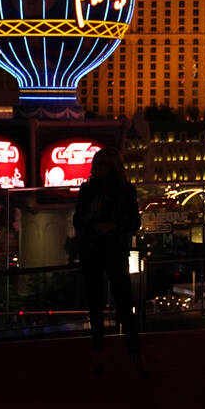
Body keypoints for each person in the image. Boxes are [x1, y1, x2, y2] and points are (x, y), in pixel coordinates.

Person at [74, 147, 143, 374]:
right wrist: (93, 220)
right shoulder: (88, 189)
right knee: (97, 303)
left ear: (113, 167)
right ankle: (103, 354)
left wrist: (111, 227)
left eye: (104, 165)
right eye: (98, 165)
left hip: (111, 249)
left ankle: (132, 353)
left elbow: (134, 222)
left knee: (122, 302)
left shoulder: (124, 191)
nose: (100, 170)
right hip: (96, 249)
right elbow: (78, 220)